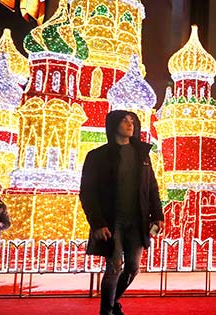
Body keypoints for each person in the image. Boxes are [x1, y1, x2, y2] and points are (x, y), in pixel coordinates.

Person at [80, 110, 165, 315]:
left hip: (137, 221)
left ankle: (114, 300)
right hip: (112, 221)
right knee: (114, 266)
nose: (130, 125)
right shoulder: (97, 156)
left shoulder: (142, 155)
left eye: (132, 121)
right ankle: (107, 311)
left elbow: (151, 187)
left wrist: (158, 215)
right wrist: (98, 223)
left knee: (133, 267)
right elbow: (88, 192)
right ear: (113, 125)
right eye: (124, 121)